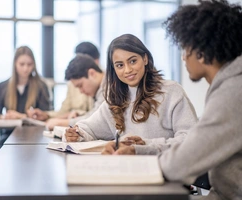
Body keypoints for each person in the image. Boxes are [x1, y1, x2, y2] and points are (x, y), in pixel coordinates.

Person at [103, 1, 242, 199]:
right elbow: (193, 146)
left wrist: (139, 160)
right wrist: (137, 151)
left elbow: (186, 158)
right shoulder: (229, 85)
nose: (183, 58)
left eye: (185, 49)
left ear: (201, 52)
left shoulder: (232, 93)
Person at [65, 34, 197, 157]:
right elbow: (89, 127)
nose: (127, 70)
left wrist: (144, 145)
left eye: (133, 61)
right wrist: (77, 133)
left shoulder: (171, 91)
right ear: (114, 69)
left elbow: (190, 139)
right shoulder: (115, 98)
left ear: (145, 59)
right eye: (120, 65)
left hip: (165, 171)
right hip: (127, 170)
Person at [0, 46, 50, 157]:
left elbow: (46, 115)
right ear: (15, 64)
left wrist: (19, 116)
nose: (25, 69)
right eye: (22, 64)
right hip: (9, 135)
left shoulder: (41, 86)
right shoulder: (3, 87)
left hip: (35, 137)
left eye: (29, 64)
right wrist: (5, 117)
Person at [29, 53, 105, 130]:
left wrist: (62, 123)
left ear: (92, 73)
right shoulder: (99, 88)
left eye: (80, 85)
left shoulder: (108, 87)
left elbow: (96, 119)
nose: (81, 91)